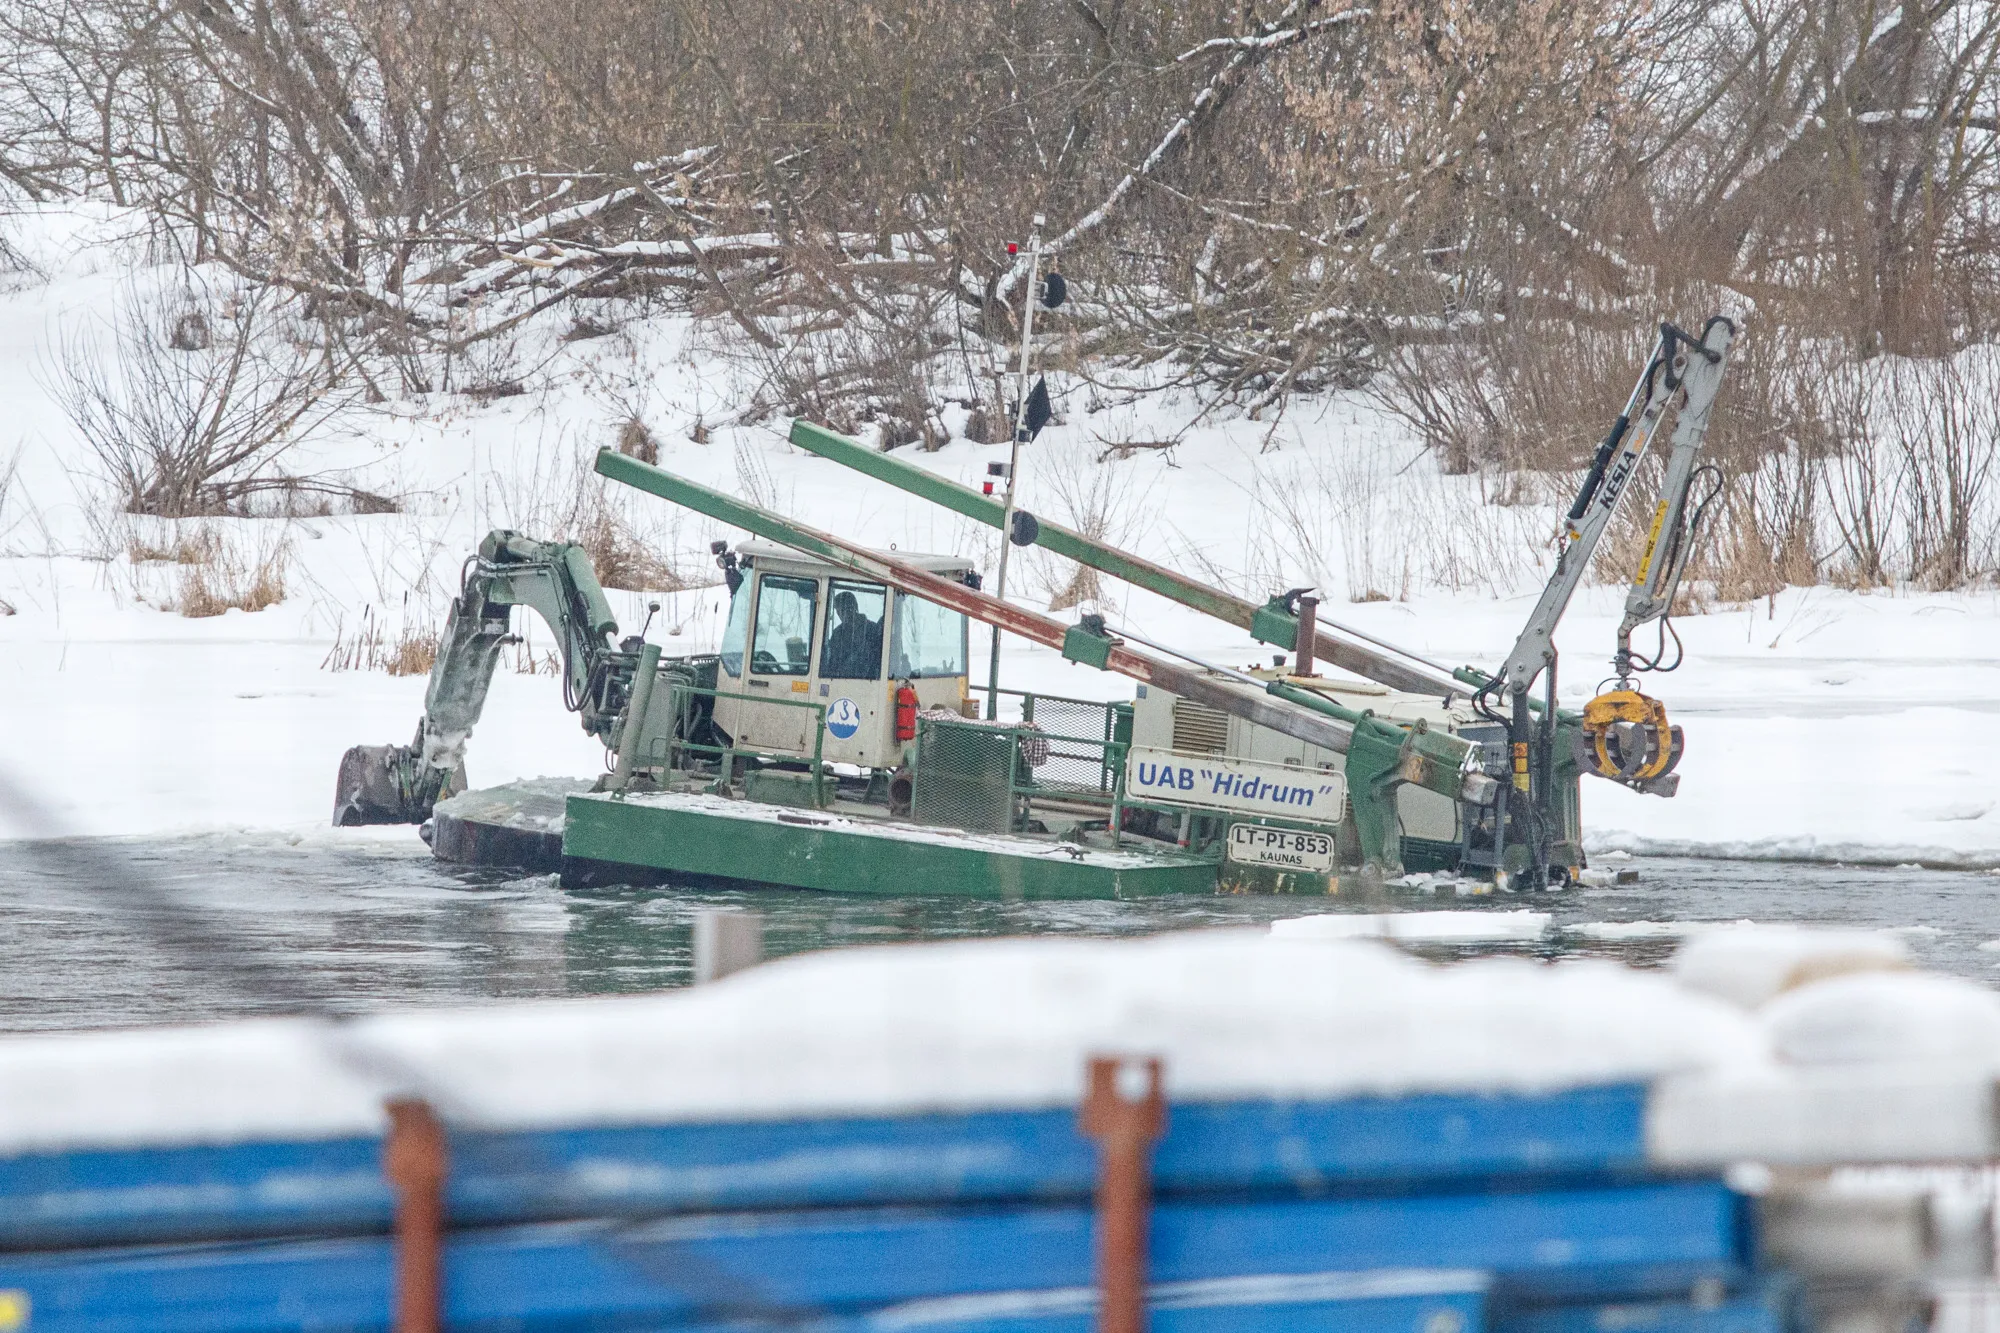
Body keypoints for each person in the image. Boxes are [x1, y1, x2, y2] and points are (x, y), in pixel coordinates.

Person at [823, 590, 883, 678]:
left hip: (869, 681)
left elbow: (878, 660)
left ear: (852, 608)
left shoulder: (872, 629)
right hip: (840, 681)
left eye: (842, 610)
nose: (840, 614)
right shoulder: (837, 633)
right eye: (838, 611)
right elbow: (833, 664)